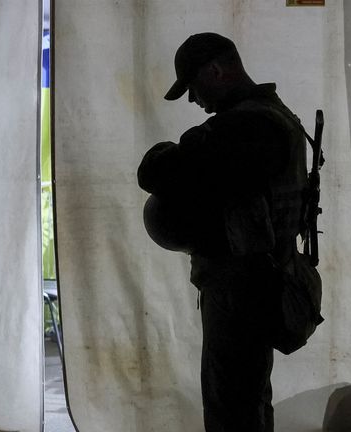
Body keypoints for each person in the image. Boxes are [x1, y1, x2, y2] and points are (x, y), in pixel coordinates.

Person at [137, 33, 309, 432]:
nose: (195, 100)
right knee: (246, 398)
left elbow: (156, 174)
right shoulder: (273, 114)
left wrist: (164, 149)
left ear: (217, 70)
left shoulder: (245, 126)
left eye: (194, 88)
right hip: (258, 278)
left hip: (242, 286)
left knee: (232, 405)